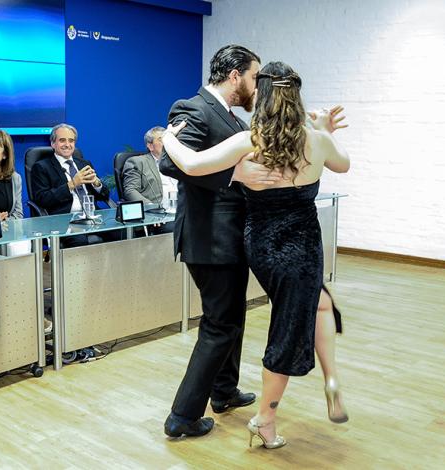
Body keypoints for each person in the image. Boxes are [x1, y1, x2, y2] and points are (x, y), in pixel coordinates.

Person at [162, 61, 351, 449]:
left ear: (262, 95)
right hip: (303, 247)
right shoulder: (316, 141)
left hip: (262, 247)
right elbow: (344, 164)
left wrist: (168, 140)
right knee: (292, 323)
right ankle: (267, 417)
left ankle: (266, 395)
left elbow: (193, 164)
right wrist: (325, 130)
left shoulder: (251, 139)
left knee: (316, 305)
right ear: (296, 97)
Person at [159, 45, 285, 438]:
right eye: (253, 77)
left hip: (227, 239)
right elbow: (170, 161)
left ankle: (224, 391)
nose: (255, 86)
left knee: (233, 317)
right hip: (208, 240)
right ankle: (182, 416)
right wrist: (234, 176)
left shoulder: (227, 116)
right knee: (220, 324)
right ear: (234, 76)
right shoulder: (192, 107)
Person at [30, 123, 113, 248]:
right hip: (65, 221)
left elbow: (105, 195)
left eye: (71, 141)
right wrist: (72, 184)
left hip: (93, 217)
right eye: (62, 140)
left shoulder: (84, 163)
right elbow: (42, 199)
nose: (67, 145)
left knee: (121, 232)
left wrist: (97, 183)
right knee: (79, 241)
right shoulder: (41, 167)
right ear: (53, 143)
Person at [122, 126, 176, 233]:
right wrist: (152, 209)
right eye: (161, 139)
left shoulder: (178, 161)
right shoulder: (137, 162)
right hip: (161, 216)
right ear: (150, 146)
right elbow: (130, 190)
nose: (166, 142)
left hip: (184, 211)